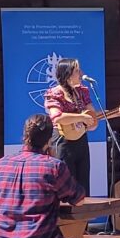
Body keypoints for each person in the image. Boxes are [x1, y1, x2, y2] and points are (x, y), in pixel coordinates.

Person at [43, 58, 97, 193]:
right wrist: (81, 117)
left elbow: (92, 116)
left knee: (83, 184)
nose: (81, 74)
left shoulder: (82, 91)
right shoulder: (55, 93)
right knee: (66, 183)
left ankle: (84, 212)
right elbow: (57, 117)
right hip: (63, 142)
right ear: (67, 75)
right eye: (77, 71)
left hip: (81, 141)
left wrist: (115, 113)